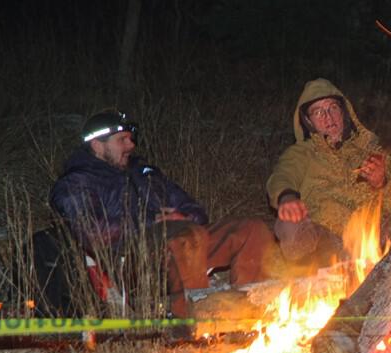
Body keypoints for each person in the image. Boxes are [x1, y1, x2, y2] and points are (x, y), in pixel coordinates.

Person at [50, 110, 273, 321]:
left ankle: (247, 313)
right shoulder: (77, 183)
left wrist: (183, 216)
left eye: (131, 138)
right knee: (181, 236)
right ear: (97, 145)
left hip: (185, 245)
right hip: (132, 260)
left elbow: (195, 210)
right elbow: (91, 233)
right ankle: (191, 318)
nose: (131, 145)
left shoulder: (143, 173)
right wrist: (151, 222)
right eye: (122, 140)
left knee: (250, 230)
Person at [266, 78, 391, 264]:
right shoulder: (302, 153)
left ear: (344, 111)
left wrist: (382, 183)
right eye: (318, 112)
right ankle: (308, 278)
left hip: (370, 238)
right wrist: (286, 197)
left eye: (333, 108)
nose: (328, 117)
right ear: (308, 121)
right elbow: (283, 175)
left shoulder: (371, 150)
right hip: (325, 241)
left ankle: (381, 268)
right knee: (288, 223)